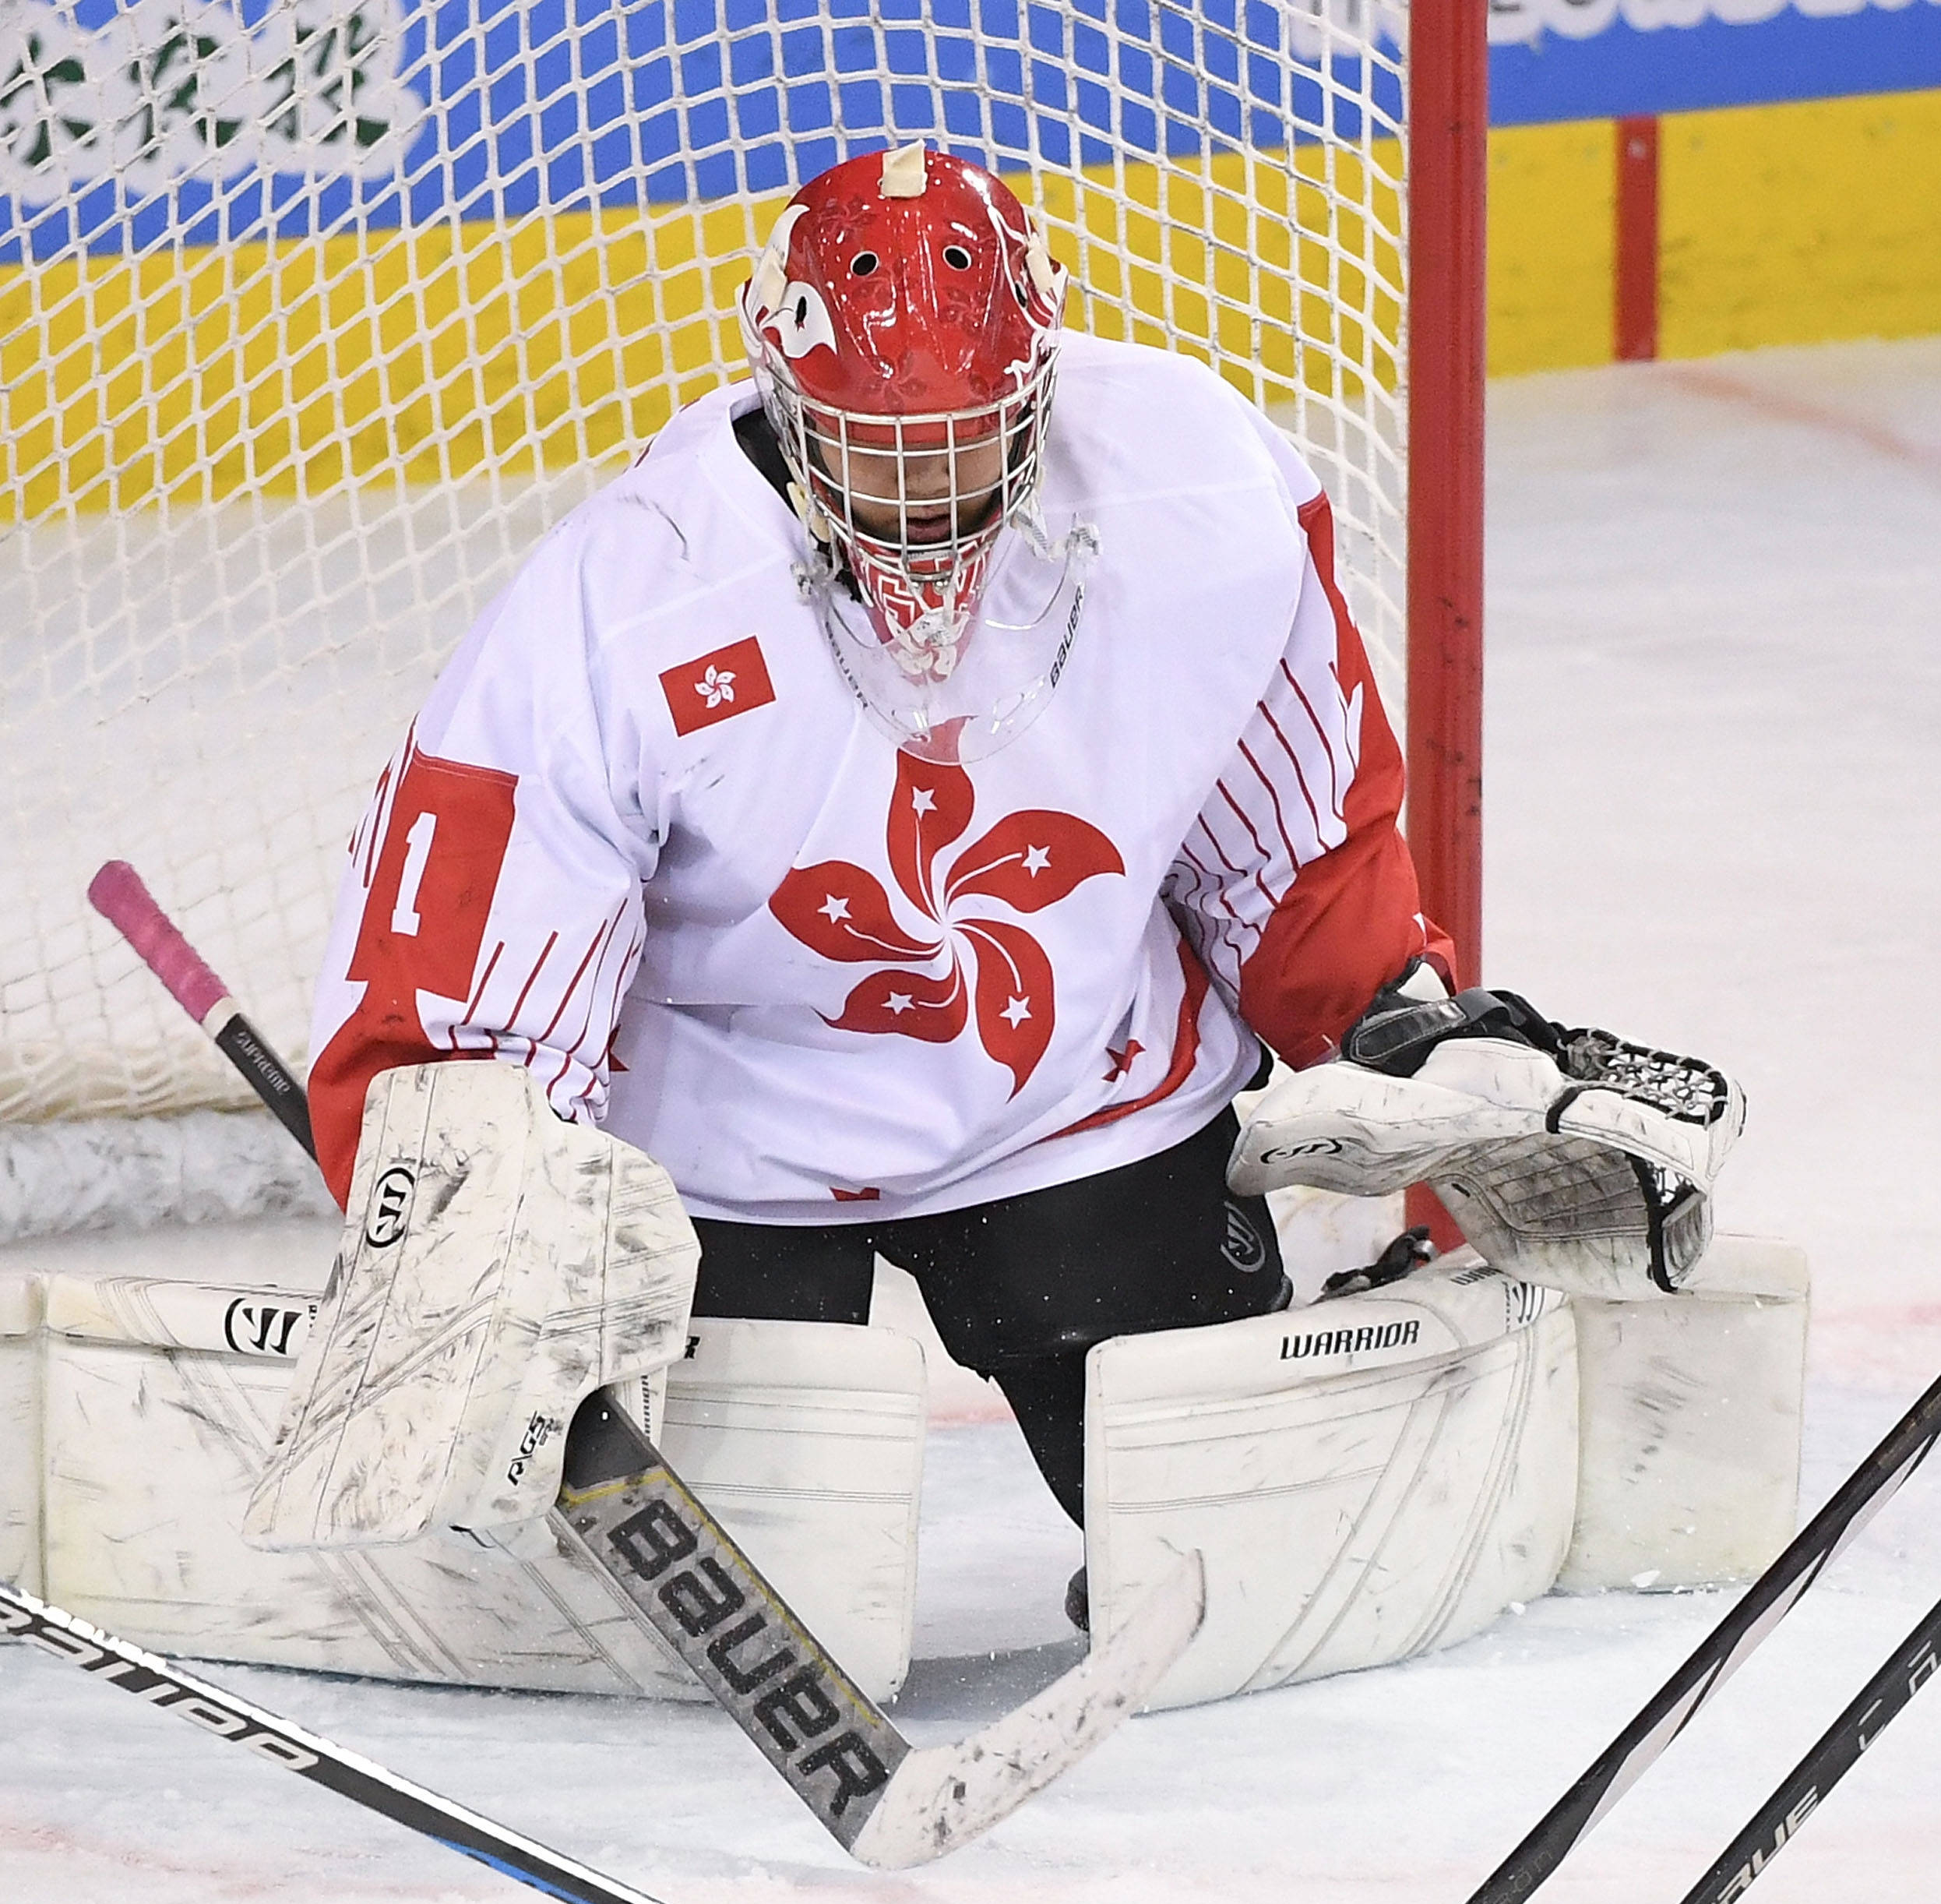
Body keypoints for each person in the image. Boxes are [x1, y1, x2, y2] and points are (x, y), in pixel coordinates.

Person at [305, 142, 1725, 1626]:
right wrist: (476, 1210)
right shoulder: (626, 597)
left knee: (1242, 1575)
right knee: (714, 1612)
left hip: (1072, 1098)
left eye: (972, 444)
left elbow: (1291, 843)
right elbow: (461, 961)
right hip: (725, 1153)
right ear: (784, 402)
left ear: (1046, 385)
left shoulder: (1200, 489)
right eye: (870, 449)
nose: (923, 499)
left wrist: (1405, 1024)